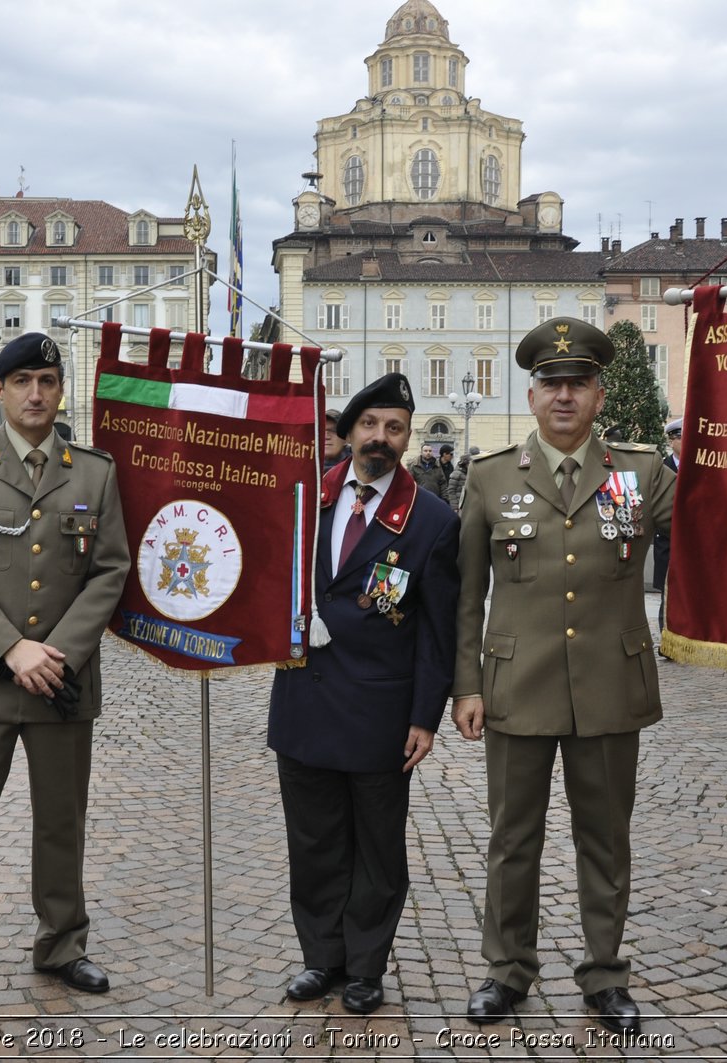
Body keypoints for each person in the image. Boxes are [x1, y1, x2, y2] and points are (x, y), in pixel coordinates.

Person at [452, 317, 675, 1034]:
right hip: (517, 686)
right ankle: (506, 969)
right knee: (513, 837)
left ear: (600, 394)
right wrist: (467, 684)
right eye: (552, 383)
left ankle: (605, 975)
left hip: (611, 685)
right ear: (532, 394)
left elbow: (720, 515)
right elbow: (467, 596)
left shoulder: (641, 473)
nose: (564, 395)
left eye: (578, 382)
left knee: (605, 838)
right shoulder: (489, 478)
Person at [0, 331, 128, 1024]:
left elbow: (110, 569)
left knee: (61, 824)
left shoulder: (93, 472)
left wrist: (57, 650)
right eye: (22, 382)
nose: (35, 393)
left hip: (62, 680)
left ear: (60, 388)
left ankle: (62, 944)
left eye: (47, 379)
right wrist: (12, 649)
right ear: (0, 391)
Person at [268, 373, 459, 1016]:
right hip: (305, 699)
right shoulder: (303, 499)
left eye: (395, 428)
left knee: (378, 849)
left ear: (406, 439)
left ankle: (367, 967)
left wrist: (425, 718)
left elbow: (437, 631)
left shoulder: (432, 520)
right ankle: (322, 957)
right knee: (315, 842)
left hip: (380, 711)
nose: (381, 438)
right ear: (348, 432)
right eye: (370, 425)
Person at [652, 418, 681, 647]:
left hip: (690, 544)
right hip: (667, 541)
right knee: (667, 593)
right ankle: (667, 640)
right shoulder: (660, 468)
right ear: (672, 441)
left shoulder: (698, 465)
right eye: (680, 437)